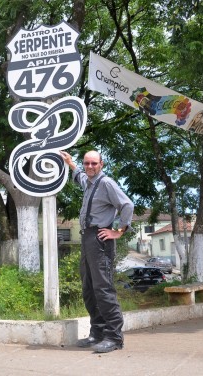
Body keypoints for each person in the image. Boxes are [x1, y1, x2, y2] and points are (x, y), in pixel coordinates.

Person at [60, 150, 134, 353]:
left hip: (101, 239)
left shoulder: (107, 183)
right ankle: (98, 332)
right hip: (87, 238)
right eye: (86, 163)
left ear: (102, 164)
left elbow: (127, 204)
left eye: (94, 163)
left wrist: (119, 231)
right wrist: (70, 163)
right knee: (89, 288)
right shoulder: (90, 182)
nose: (90, 167)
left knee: (103, 288)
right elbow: (82, 177)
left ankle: (114, 337)